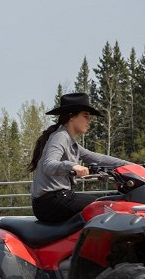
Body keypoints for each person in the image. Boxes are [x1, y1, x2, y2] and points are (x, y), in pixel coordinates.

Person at [28, 92, 131, 223]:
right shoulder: (60, 136)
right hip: (50, 202)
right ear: (72, 116)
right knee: (103, 206)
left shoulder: (71, 142)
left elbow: (96, 158)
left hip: (57, 200)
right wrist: (72, 165)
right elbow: (48, 165)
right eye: (86, 116)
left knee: (111, 200)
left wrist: (133, 166)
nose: (89, 121)